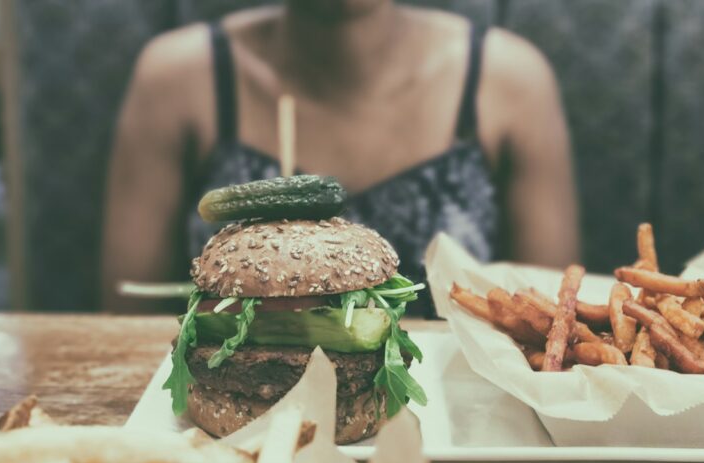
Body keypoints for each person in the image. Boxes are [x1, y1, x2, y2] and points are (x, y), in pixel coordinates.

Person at [104, 0, 578, 314]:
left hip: (465, 427)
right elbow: (125, 316)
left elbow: (550, 315)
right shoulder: (177, 77)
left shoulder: (511, 80)